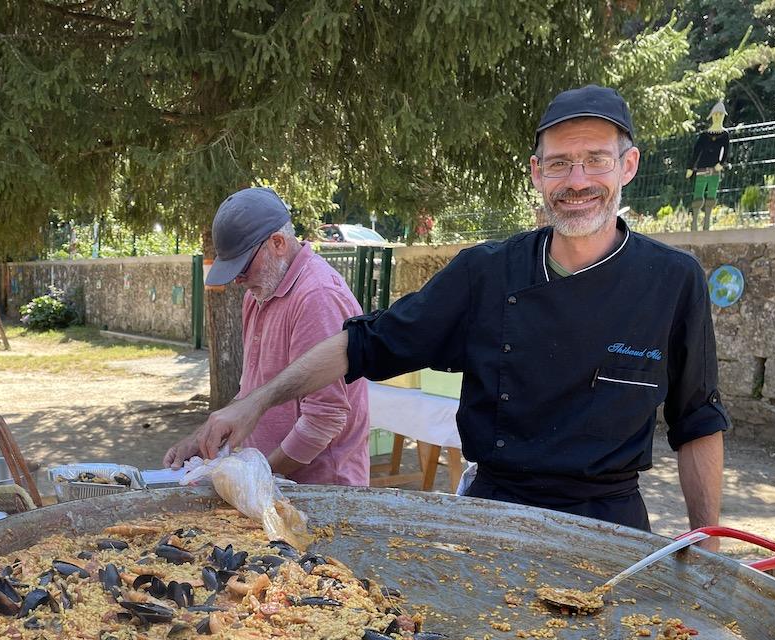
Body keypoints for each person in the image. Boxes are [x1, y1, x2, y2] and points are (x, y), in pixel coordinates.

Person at [188, 86, 729, 533]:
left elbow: (698, 419)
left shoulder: (673, 280)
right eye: (560, 164)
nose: (578, 181)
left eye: (595, 161)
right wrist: (253, 405)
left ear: (628, 165)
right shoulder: (487, 273)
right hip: (494, 510)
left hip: (610, 522)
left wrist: (709, 541)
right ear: (537, 173)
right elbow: (363, 344)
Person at [163, 187, 370, 484]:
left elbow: (323, 419)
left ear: (277, 243)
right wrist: (199, 439)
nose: (238, 279)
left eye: (243, 266)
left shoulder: (317, 296)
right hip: (273, 484)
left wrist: (256, 476)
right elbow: (252, 392)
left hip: (320, 492)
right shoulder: (259, 294)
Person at [686, 100, 731, 232]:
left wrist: (721, 164)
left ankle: (707, 225)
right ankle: (694, 224)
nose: (718, 117)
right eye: (716, 114)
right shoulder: (704, 136)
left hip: (715, 170)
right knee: (698, 194)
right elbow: (696, 151)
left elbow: (726, 151)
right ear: (712, 116)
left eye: (720, 114)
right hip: (702, 169)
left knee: (711, 195)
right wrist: (690, 167)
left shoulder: (724, 135)